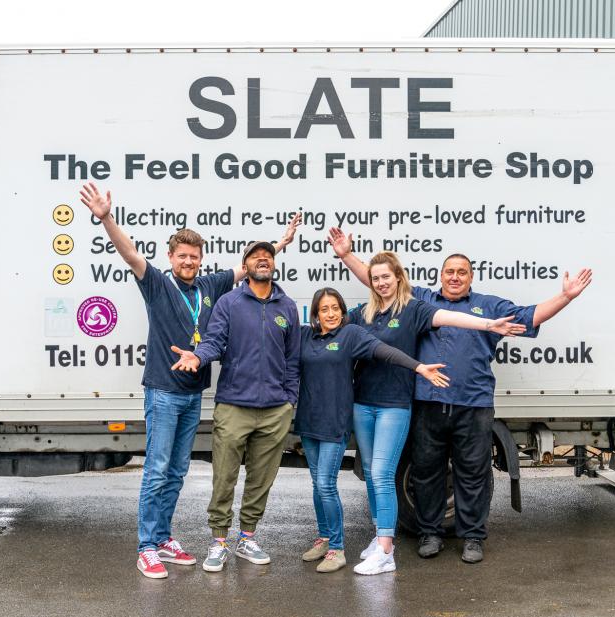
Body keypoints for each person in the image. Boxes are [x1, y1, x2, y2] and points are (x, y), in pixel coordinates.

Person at [328, 228, 591, 565]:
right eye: (449, 271)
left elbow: (529, 317)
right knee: (426, 471)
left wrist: (565, 297)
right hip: (428, 403)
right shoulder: (420, 299)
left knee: (472, 473)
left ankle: (473, 538)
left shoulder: (489, 306)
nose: (454, 277)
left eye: (461, 272)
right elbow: (380, 280)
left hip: (474, 404)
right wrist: (347, 255)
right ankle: (430, 533)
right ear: (441, 276)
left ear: (471, 277)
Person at [79, 182, 299, 579]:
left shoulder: (211, 286)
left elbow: (251, 267)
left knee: (178, 471)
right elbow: (130, 254)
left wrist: (278, 245)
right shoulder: (158, 284)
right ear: (171, 257)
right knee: (157, 468)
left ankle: (163, 538)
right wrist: (106, 218)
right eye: (182, 256)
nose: (189, 262)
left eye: (194, 257)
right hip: (163, 391)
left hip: (192, 393)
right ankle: (146, 546)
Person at [293, 287, 451, 574]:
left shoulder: (350, 335)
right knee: (317, 484)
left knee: (327, 485)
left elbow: (386, 352)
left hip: (335, 422)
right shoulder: (305, 336)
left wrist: (418, 368)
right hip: (308, 421)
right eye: (324, 309)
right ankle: (325, 537)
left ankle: (337, 549)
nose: (330, 314)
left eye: (335, 308)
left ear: (343, 311)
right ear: (315, 314)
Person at [170, 240, 301, 573]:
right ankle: (218, 541)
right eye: (256, 256)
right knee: (224, 477)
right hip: (234, 406)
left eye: (268, 256)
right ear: (246, 265)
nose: (263, 259)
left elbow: (293, 358)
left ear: (273, 264)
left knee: (261, 480)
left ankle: (247, 537)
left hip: (275, 410)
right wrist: (198, 356)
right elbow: (213, 340)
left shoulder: (287, 306)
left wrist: (290, 400)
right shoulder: (229, 302)